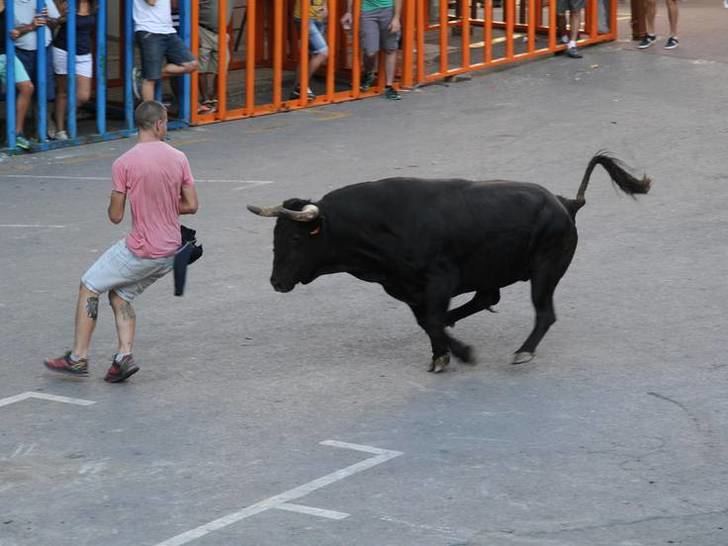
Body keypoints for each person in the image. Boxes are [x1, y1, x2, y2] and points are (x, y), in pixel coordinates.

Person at [44, 100, 199, 383]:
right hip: (169, 251)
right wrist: (163, 204)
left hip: (142, 248)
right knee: (121, 295)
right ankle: (123, 357)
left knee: (90, 285)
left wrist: (125, 198)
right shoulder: (179, 158)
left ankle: (78, 357)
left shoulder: (124, 163)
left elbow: (115, 216)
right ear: (159, 124)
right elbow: (191, 205)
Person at [11, 0, 61, 136]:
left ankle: (43, 124)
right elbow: (9, 32)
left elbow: (56, 21)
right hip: (19, 51)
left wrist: (47, 19)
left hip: (44, 49)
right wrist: (31, 26)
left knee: (46, 91)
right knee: (21, 91)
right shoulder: (9, 3)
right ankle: (17, 131)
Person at [132, 0, 198, 102]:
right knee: (150, 79)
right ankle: (150, 116)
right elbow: (151, 1)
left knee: (191, 64)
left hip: (168, 30)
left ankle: (143, 75)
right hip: (149, 30)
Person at [51, 0, 96, 140]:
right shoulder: (67, 3)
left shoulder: (94, 5)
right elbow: (52, 23)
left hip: (84, 53)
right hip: (63, 50)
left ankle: (59, 115)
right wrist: (60, 18)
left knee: (83, 96)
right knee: (63, 92)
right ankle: (60, 129)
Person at [341, 0, 402, 101]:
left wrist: (396, 18)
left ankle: (389, 86)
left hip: (388, 10)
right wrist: (348, 12)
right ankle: (369, 73)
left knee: (390, 49)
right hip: (367, 11)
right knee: (370, 52)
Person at [0, 0, 35, 150]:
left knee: (27, 87)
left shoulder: (8, 5)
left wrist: (16, 31)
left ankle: (17, 133)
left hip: (7, 54)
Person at [198, 0, 234, 109]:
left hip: (221, 32)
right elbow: (192, 8)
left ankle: (215, 98)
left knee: (222, 67)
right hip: (202, 30)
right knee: (200, 68)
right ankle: (206, 100)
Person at [290, 0, 328, 101]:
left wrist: (325, 5)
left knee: (307, 56)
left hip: (318, 17)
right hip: (304, 17)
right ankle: (301, 86)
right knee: (322, 52)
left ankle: (296, 90)